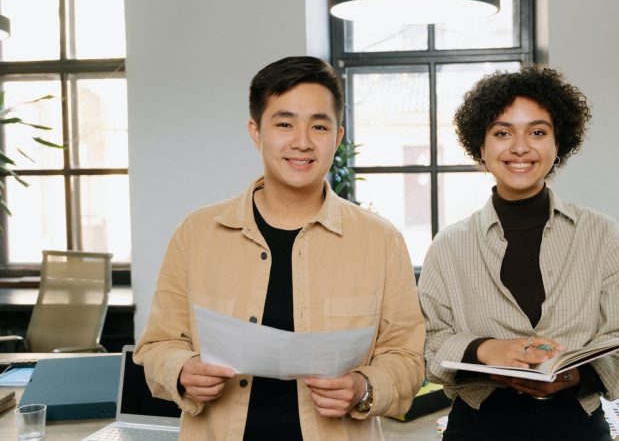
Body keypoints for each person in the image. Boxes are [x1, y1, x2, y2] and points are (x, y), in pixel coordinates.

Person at [133, 56, 425, 441]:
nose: (302, 142)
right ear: (256, 132)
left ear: (337, 137)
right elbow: (157, 345)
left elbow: (406, 358)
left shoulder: (380, 241)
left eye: (318, 126)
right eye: (284, 123)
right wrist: (181, 370)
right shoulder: (197, 233)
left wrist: (363, 387)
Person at [418, 65, 619, 440]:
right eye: (502, 132)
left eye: (538, 132)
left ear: (558, 144)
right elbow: (428, 345)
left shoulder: (600, 233)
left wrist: (573, 376)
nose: (520, 147)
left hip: (577, 428)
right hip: (477, 429)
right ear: (481, 146)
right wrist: (486, 351)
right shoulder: (449, 245)